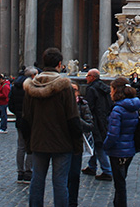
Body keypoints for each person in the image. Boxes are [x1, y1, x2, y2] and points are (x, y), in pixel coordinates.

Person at [22, 47, 82, 207]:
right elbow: (73, 118)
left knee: (37, 179)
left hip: (38, 141)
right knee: (60, 182)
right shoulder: (65, 87)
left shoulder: (30, 87)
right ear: (60, 64)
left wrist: (29, 143)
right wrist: (77, 144)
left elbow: (25, 119)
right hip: (62, 143)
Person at [102, 77, 140, 207]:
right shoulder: (133, 107)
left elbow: (113, 134)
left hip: (118, 151)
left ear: (116, 91)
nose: (110, 93)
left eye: (111, 90)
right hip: (129, 149)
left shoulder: (118, 110)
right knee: (121, 180)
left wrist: (105, 146)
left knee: (120, 184)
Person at [82, 68, 113, 181]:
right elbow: (110, 104)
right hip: (103, 118)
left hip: (95, 119)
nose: (86, 77)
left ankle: (107, 170)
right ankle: (92, 166)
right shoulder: (105, 88)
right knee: (95, 143)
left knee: (98, 145)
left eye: (88, 75)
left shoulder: (91, 89)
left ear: (93, 77)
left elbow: (89, 106)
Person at [9, 66, 37, 183]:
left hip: (20, 120)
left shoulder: (15, 87)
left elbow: (10, 105)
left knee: (20, 146)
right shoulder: (31, 87)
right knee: (30, 146)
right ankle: (28, 171)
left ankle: (20, 172)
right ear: (31, 76)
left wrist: (18, 114)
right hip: (30, 120)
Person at [68, 82, 93, 207]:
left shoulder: (83, 105)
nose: (73, 93)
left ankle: (72, 201)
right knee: (62, 175)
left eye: (75, 90)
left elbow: (89, 125)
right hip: (62, 144)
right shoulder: (60, 105)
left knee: (74, 175)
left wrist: (76, 119)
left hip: (76, 144)